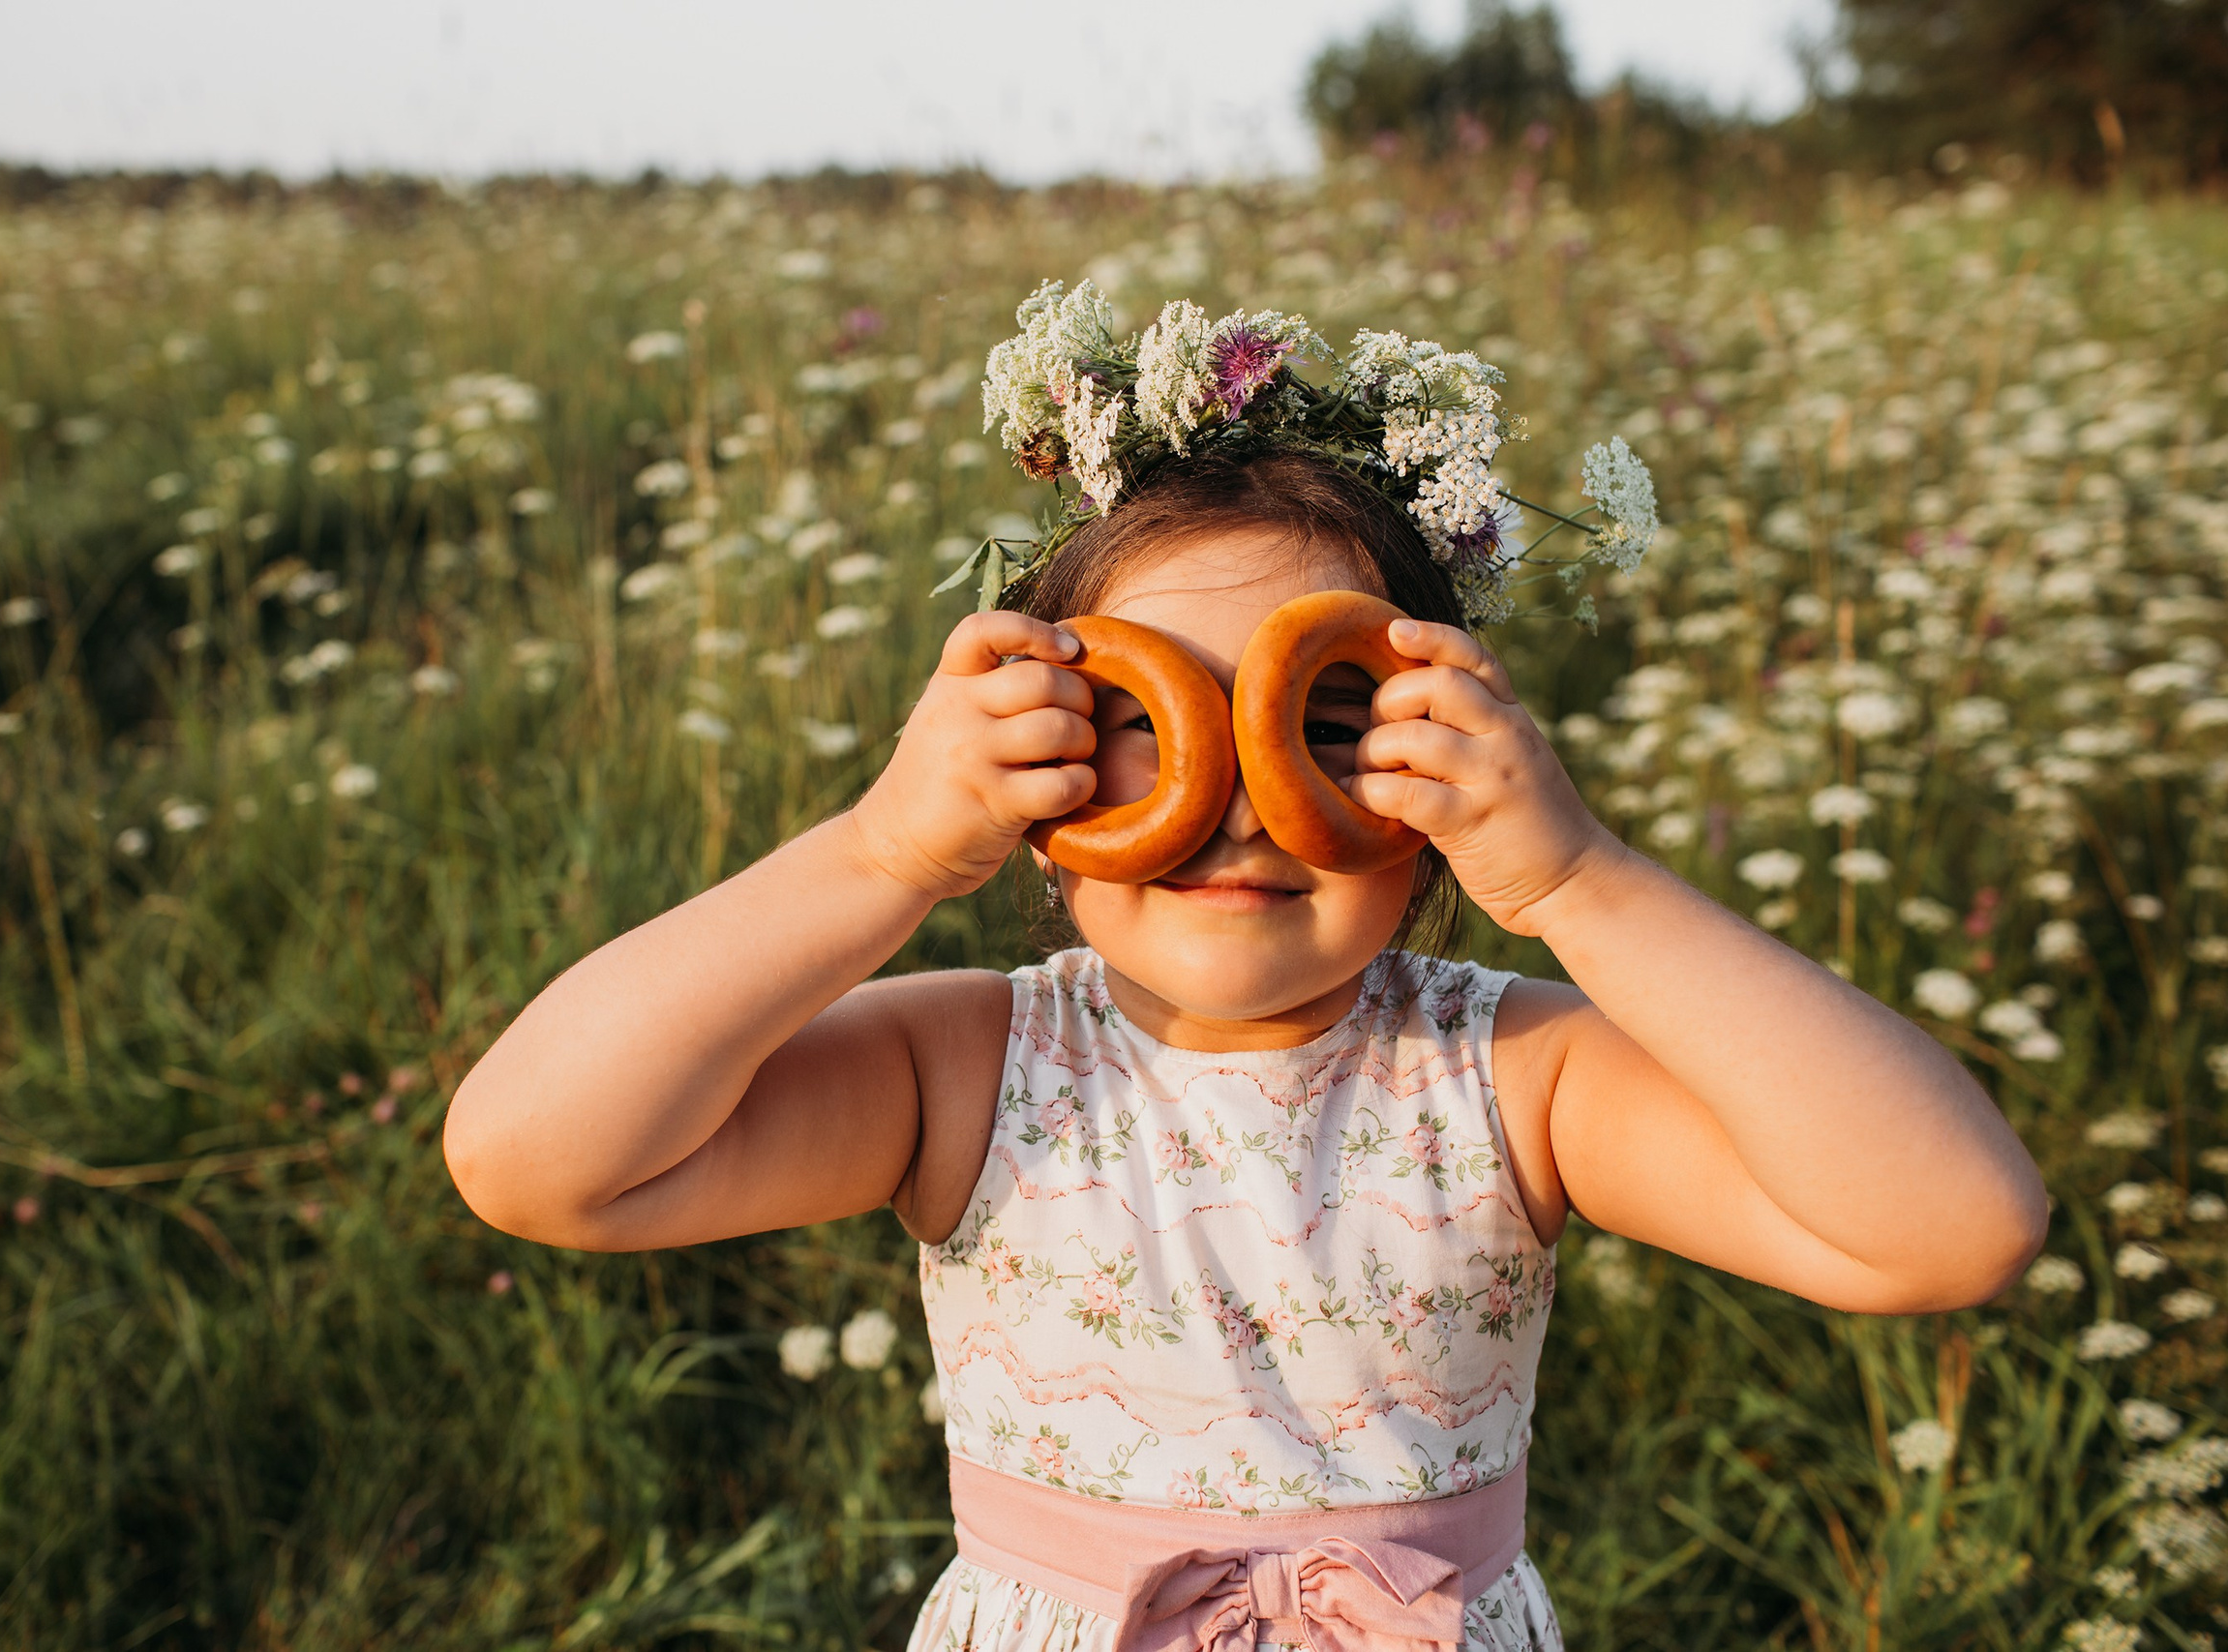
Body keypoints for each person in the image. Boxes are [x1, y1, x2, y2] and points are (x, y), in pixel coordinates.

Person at [443, 293, 2047, 1652]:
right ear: (1040, 804)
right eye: (1147, 728)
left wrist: (1580, 881)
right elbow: (537, 1164)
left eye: (1326, 726)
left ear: (1439, 793)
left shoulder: (1514, 1081)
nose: (1231, 797)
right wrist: (882, 855)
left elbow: (1950, 1227)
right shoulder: (967, 1071)